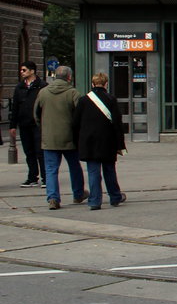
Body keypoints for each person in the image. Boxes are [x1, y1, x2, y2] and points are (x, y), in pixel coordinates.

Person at [33, 65, 85, 210]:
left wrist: (44, 128)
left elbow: (36, 114)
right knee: (74, 166)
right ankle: (78, 194)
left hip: (49, 137)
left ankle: (53, 198)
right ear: (69, 77)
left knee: (50, 169)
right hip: (69, 137)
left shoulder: (43, 93)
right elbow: (80, 115)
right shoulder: (73, 93)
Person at [72, 72, 126, 210]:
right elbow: (117, 124)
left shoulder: (84, 100)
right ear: (106, 84)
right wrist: (121, 145)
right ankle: (115, 196)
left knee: (93, 172)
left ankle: (95, 201)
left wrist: (77, 141)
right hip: (108, 141)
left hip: (89, 142)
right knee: (109, 170)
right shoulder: (111, 100)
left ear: (92, 84)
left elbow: (75, 123)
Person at [9, 60, 47, 187]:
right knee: (29, 152)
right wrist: (13, 125)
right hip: (24, 124)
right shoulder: (20, 87)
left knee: (40, 151)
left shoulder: (42, 86)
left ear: (32, 71)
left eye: (24, 70)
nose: (21, 72)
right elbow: (15, 107)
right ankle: (32, 177)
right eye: (21, 70)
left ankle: (45, 178)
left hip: (38, 124)